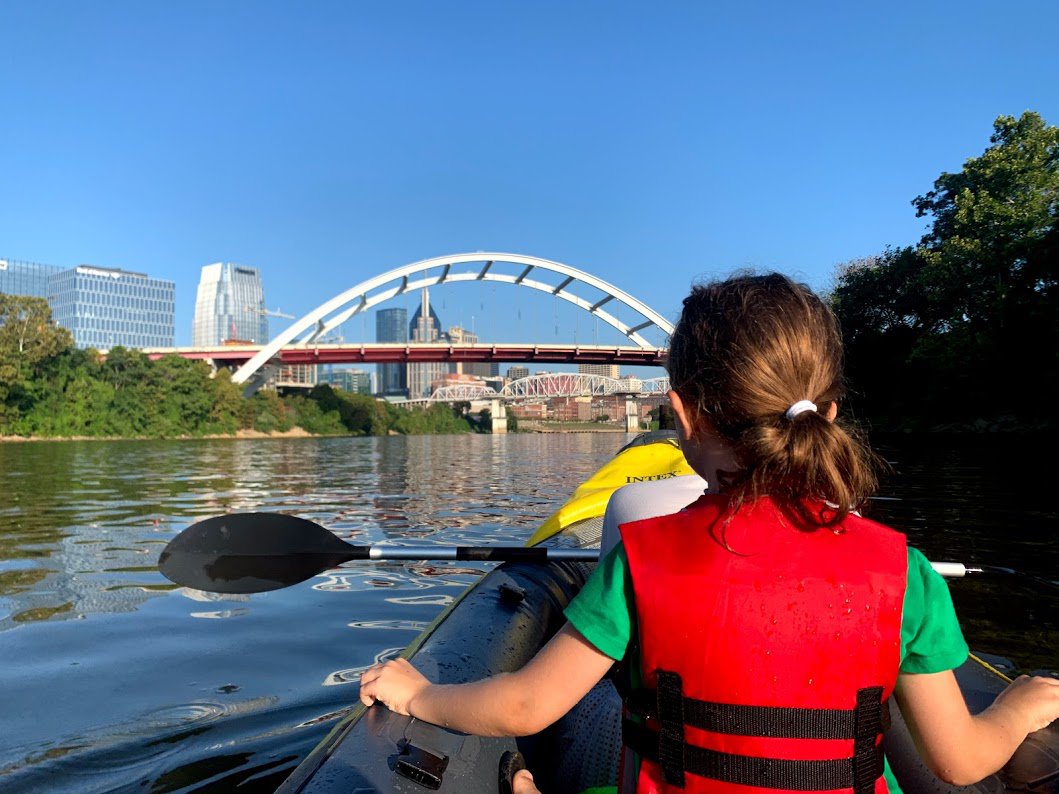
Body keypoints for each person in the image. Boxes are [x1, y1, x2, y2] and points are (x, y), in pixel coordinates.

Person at [361, 272, 1059, 793]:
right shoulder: (902, 572)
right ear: (829, 411)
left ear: (681, 414)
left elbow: (524, 705)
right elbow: (960, 761)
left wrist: (419, 695)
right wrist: (1016, 706)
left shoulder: (639, 561)